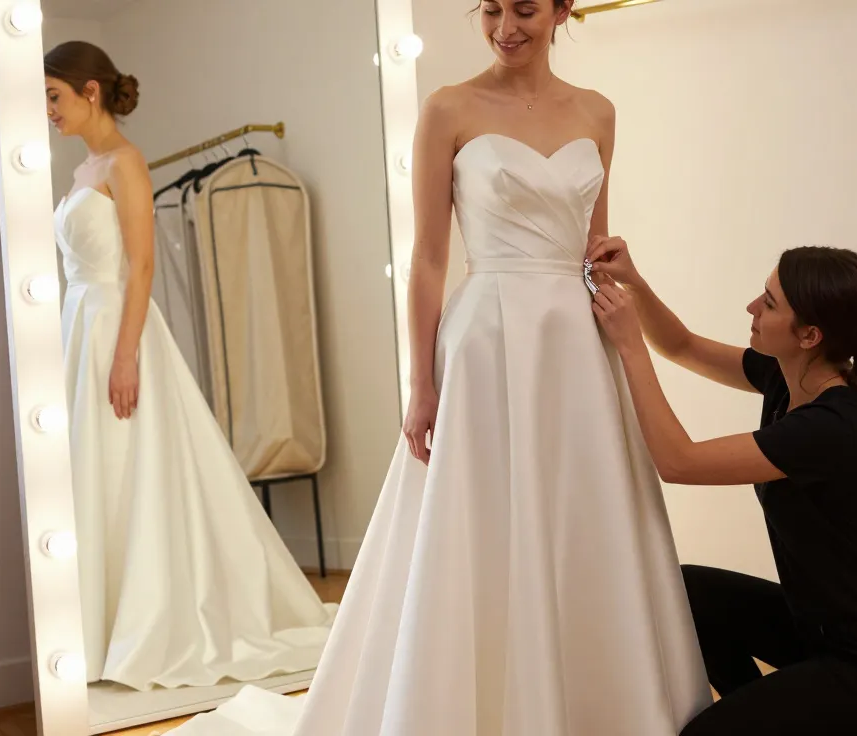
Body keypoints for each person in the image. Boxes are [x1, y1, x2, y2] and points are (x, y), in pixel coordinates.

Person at [166, 1, 709, 734]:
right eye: (490, 8)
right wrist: (420, 384)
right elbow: (427, 259)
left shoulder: (599, 112)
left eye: (524, 9)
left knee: (585, 516)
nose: (505, 26)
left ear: (561, 10)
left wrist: (625, 312)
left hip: (578, 346)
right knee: (475, 524)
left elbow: (595, 239)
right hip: (485, 339)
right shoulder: (448, 107)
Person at [44, 40, 335, 691]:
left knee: (131, 468)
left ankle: (146, 621)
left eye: (55, 96)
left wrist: (125, 357)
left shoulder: (126, 162)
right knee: (99, 474)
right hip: (80, 329)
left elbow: (141, 266)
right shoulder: (81, 173)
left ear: (91, 91)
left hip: (120, 331)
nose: (48, 111)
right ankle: (100, 624)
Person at [588, 240, 857, 735]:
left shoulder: (831, 425)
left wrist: (629, 347)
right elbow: (682, 345)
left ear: (809, 335)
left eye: (769, 303)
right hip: (816, 628)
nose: (752, 307)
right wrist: (634, 283)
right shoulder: (786, 377)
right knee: (687, 590)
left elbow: (678, 461)